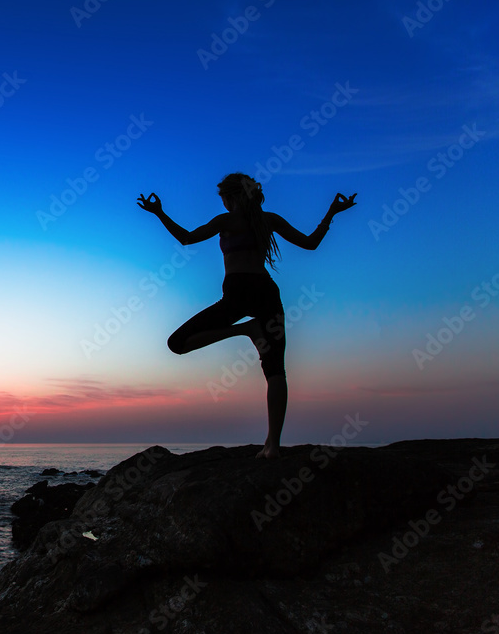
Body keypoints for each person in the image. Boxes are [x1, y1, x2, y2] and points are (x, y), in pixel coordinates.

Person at [136, 173, 357, 459]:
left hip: (237, 295)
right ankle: (272, 446)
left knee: (177, 343)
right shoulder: (270, 220)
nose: (224, 204)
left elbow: (188, 239)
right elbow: (311, 243)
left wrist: (159, 213)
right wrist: (331, 212)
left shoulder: (225, 222)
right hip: (266, 293)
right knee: (276, 370)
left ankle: (245, 331)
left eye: (224, 198)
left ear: (232, 197)